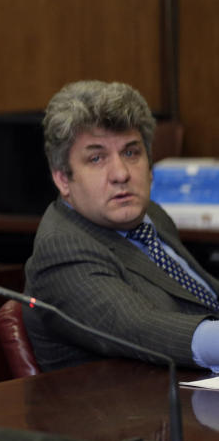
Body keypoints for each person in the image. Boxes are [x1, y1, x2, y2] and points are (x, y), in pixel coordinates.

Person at [24, 80, 219, 372]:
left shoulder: (150, 216)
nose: (120, 174)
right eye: (97, 158)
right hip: (131, 409)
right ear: (63, 179)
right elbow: (143, 329)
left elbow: (203, 298)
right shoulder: (61, 248)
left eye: (131, 153)